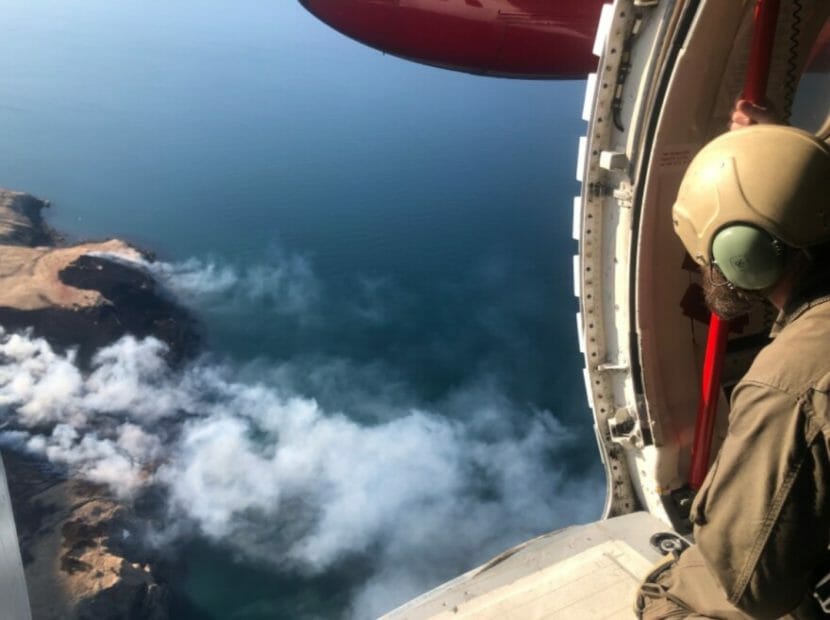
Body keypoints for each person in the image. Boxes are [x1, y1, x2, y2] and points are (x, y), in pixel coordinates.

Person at [635, 116, 830, 618]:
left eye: (711, 256)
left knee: (668, 604)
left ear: (743, 253)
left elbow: (750, 587)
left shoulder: (788, 383)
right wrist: (773, 157)